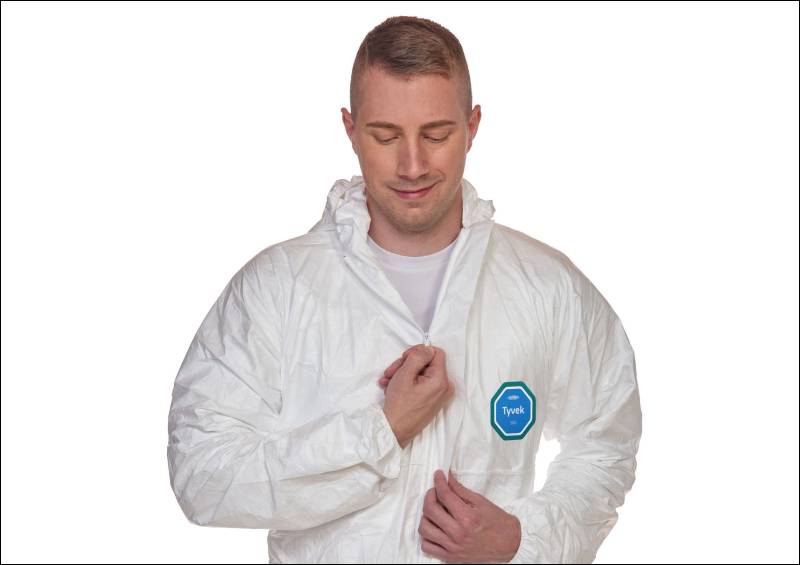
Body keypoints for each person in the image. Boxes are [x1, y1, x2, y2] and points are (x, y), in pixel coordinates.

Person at [167, 15, 642, 564]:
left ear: (473, 126)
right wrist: (382, 432)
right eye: (385, 136)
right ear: (350, 129)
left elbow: (606, 443)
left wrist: (523, 541)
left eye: (436, 135)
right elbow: (201, 473)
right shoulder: (276, 290)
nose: (412, 165)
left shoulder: (547, 286)